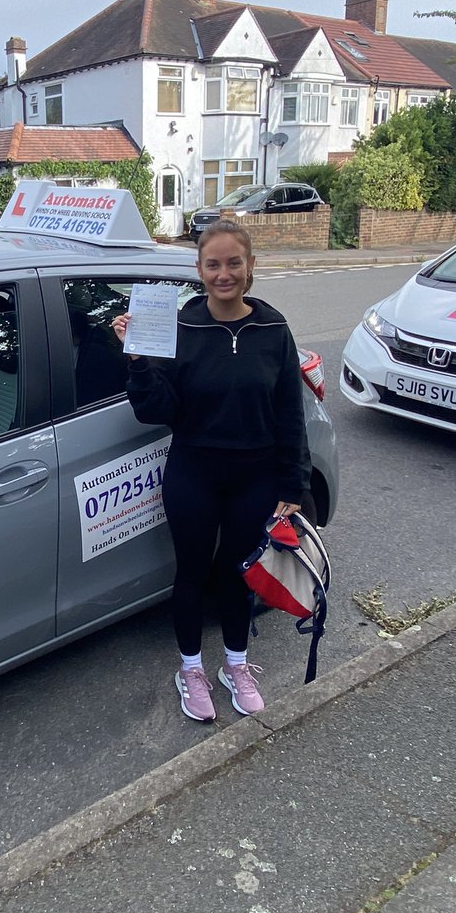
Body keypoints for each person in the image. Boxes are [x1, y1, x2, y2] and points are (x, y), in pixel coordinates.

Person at [111, 220, 311, 722]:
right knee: (192, 574)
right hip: (194, 471)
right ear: (199, 270)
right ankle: (191, 670)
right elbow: (156, 410)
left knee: (238, 572)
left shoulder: (272, 328)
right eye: (213, 264)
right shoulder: (179, 326)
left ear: (250, 267)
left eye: (233, 263)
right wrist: (138, 360)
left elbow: (290, 411)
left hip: (255, 475)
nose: (224, 274)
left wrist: (294, 482)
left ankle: (237, 666)